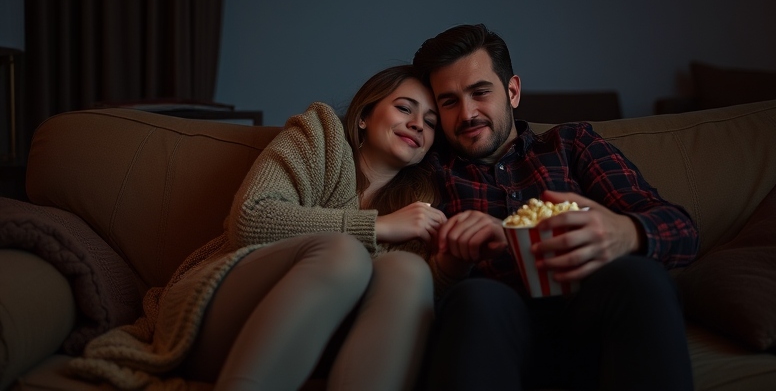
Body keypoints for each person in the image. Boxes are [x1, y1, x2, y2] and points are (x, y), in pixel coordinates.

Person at [68, 64, 448, 391]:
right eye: (404, 108)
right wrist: (378, 227)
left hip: (322, 346)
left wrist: (453, 262)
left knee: (408, 269)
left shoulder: (420, 207)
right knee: (342, 253)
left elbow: (412, 313)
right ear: (365, 114)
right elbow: (252, 217)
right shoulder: (321, 136)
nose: (417, 124)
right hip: (213, 314)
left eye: (431, 123)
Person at [411, 24, 700, 391]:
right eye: (449, 101)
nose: (467, 113)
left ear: (512, 92)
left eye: (480, 92)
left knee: (638, 276)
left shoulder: (570, 144)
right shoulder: (428, 170)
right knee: (479, 298)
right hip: (493, 335)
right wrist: (456, 258)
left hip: (588, 322)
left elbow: (683, 231)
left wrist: (624, 233)